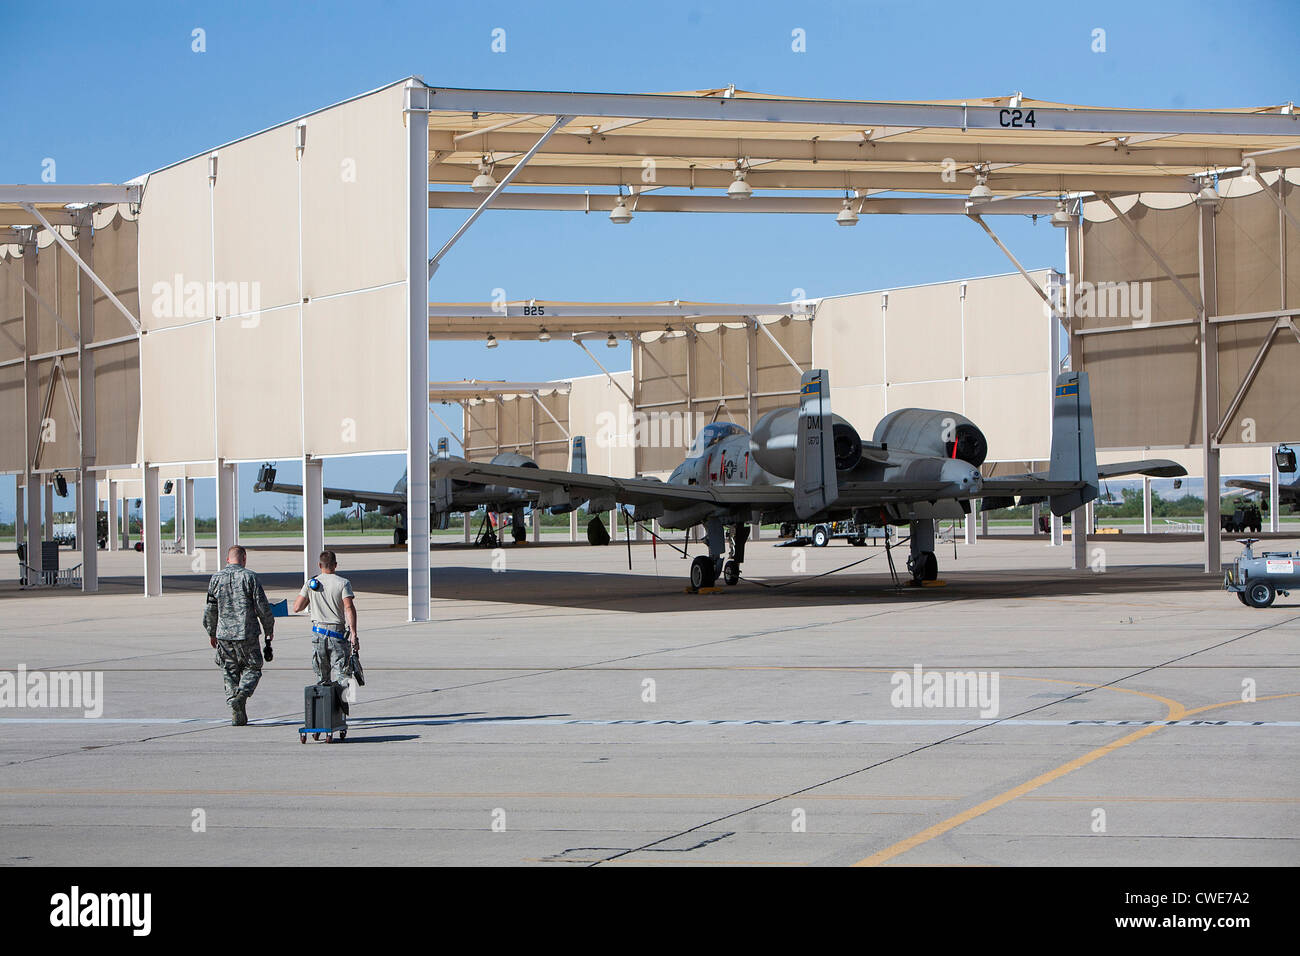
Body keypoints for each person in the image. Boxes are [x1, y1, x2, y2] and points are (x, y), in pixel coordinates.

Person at [203, 545, 274, 726]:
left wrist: (212, 632)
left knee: (229, 672)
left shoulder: (216, 579)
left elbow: (210, 609)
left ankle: (235, 706)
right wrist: (268, 630)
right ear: (244, 559)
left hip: (224, 635)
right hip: (246, 633)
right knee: (254, 667)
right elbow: (262, 607)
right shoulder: (249, 577)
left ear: (228, 560)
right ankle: (241, 695)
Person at [292, 550, 358, 695]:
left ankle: (324, 710)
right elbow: (349, 608)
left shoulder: (311, 583)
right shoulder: (343, 583)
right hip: (337, 634)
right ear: (335, 565)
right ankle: (344, 707)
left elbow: (297, 607)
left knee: (322, 677)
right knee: (344, 674)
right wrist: (353, 633)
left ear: (319, 565)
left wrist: (311, 595)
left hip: (318, 633)